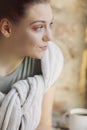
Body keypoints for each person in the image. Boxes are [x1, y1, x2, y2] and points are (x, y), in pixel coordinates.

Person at [0, 0, 63, 130]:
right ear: (6, 28)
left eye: (50, 24)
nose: (49, 37)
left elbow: (43, 124)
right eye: (39, 27)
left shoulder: (49, 62)